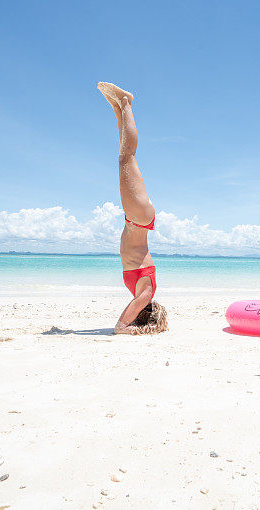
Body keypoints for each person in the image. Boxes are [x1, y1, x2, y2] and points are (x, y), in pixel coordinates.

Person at [97, 82, 166, 335]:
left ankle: (119, 107)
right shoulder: (146, 295)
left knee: (124, 156)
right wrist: (123, 328)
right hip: (139, 219)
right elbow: (119, 326)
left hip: (135, 219)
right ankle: (126, 102)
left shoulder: (141, 293)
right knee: (128, 157)